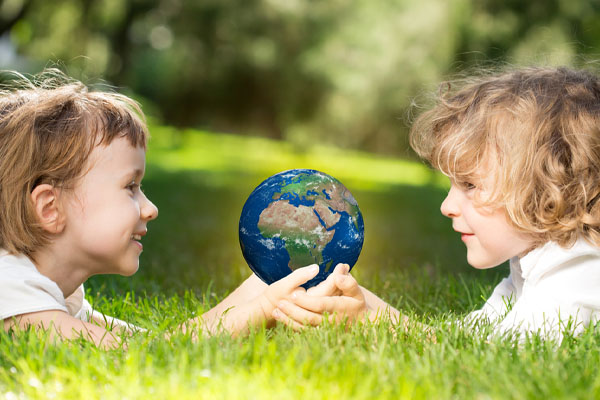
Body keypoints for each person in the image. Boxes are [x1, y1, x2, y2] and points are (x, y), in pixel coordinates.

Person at [0, 69, 356, 348]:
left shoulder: (56, 292)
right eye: (130, 187)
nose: (150, 208)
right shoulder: (11, 291)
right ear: (50, 208)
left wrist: (261, 289)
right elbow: (136, 360)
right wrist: (262, 310)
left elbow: (156, 344)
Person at [278, 67, 600, 340]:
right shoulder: (532, 260)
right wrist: (365, 305)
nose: (447, 206)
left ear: (549, 191)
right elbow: (468, 336)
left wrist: (372, 321)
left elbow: (511, 354)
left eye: (470, 184)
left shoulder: (579, 268)